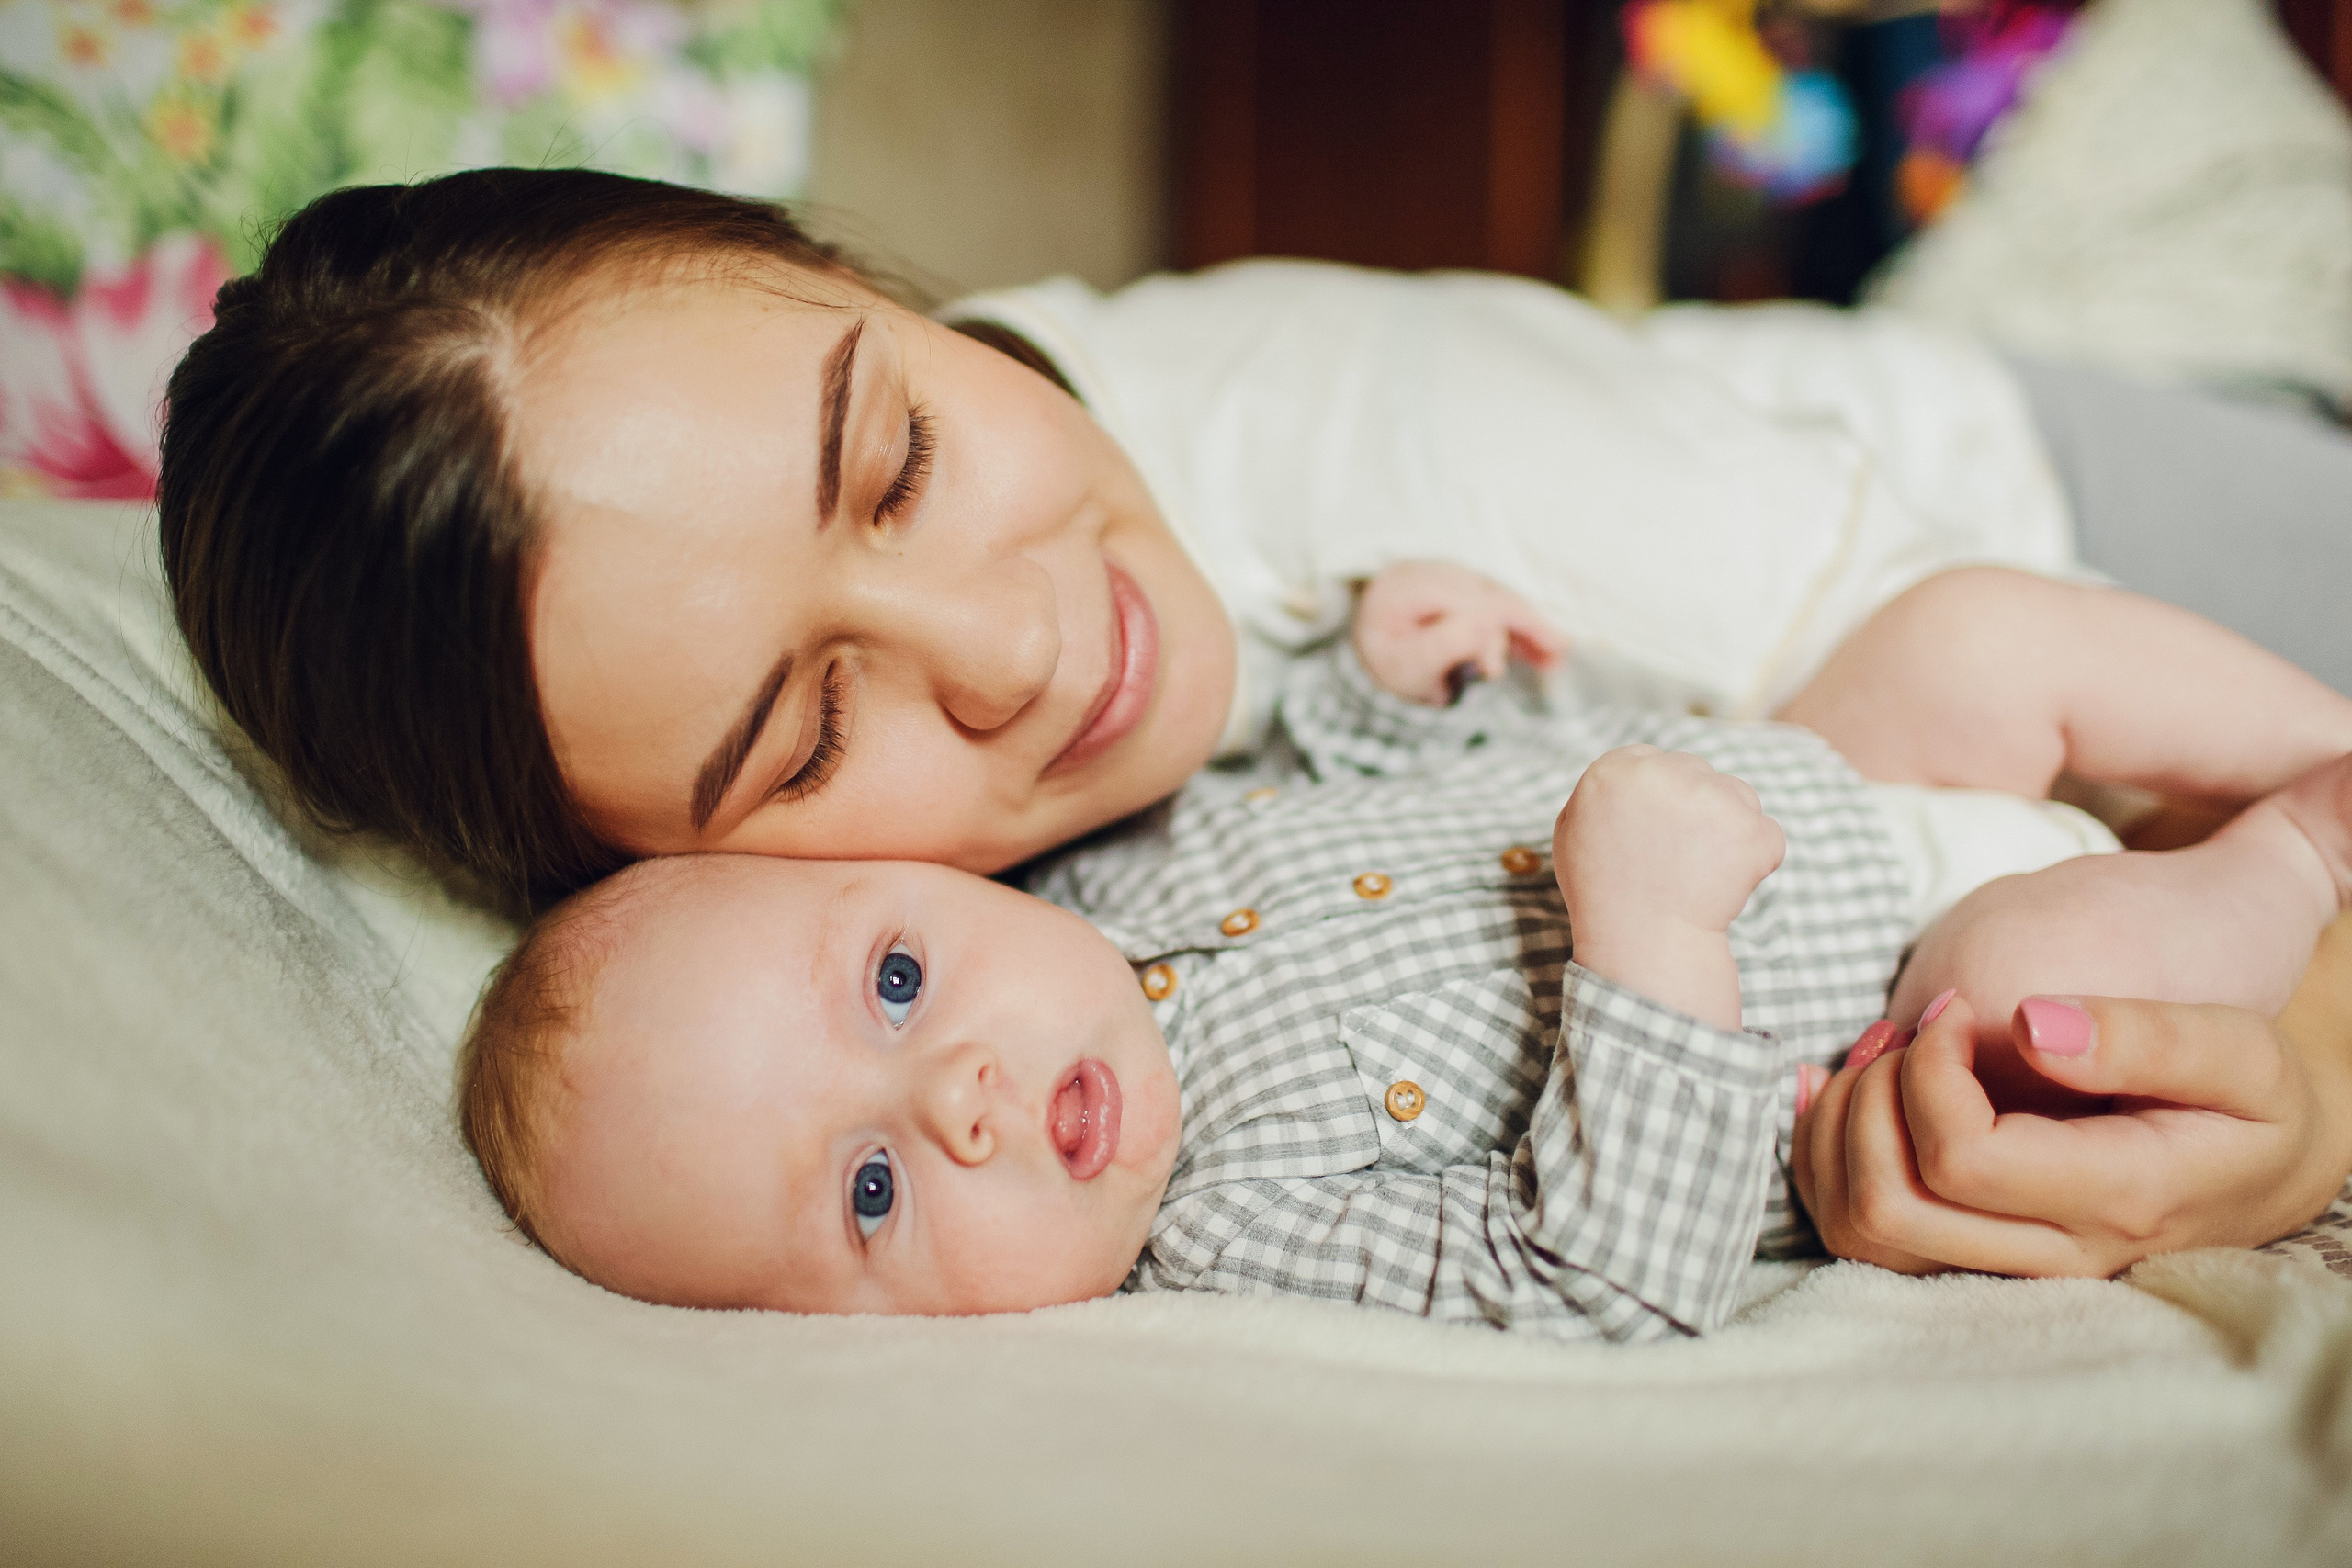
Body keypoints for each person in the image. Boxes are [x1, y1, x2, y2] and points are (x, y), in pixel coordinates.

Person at [155, 167, 2352, 1282]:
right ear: (652, 877)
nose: (1007, 641)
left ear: (883, 292)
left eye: (899, 455)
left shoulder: (1381, 454)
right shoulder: (893, 1031)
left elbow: (1957, 709)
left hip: (2078, 508)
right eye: (809, 736)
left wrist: (2317, 1090)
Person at [452, 566, 2352, 1330]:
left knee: (1965, 631)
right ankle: (2299, 847)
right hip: (1893, 969)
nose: (953, 1092)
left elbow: (1318, 773)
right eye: (866, 1188)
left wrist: (1375, 676)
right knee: (2042, 974)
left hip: (1822, 764)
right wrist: (1650, 935)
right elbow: (1606, 1278)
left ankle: (2314, 742)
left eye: (888, 981)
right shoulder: (1235, 1230)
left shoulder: (1097, 883)